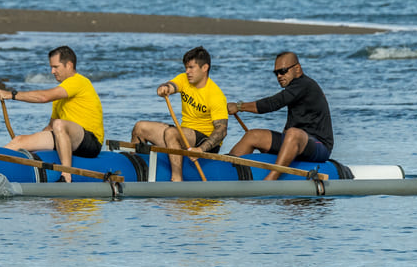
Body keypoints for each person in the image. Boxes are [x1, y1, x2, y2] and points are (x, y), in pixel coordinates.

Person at [0, 45, 104, 182]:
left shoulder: (79, 82)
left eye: (56, 67)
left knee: (60, 124)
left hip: (90, 142)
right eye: (51, 67)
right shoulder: (61, 94)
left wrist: (12, 94)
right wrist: (34, 147)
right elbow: (50, 127)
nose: (52, 71)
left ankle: (66, 175)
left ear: (69, 65)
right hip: (65, 136)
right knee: (19, 141)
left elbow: (44, 97)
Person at [227, 51, 334, 180]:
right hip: (297, 141)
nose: (279, 76)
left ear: (297, 68)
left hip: (319, 146)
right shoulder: (295, 88)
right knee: (252, 135)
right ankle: (225, 170)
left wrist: (239, 107)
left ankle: (270, 180)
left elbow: (274, 103)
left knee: (293, 133)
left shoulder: (304, 85)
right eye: (276, 73)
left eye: (283, 71)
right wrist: (272, 148)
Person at [130, 45, 229, 181]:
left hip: (205, 141)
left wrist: (200, 149)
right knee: (140, 127)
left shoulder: (216, 95)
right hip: (184, 134)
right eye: (186, 68)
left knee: (172, 133)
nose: (187, 72)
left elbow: (222, 131)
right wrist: (164, 88)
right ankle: (134, 171)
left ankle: (177, 179)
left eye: (191, 68)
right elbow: (171, 85)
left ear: (204, 68)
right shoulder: (184, 79)